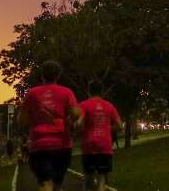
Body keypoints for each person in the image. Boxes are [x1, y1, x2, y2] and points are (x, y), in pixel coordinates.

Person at [20, 60, 82, 191]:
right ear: (58, 76)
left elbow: (22, 120)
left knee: (45, 183)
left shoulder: (32, 93)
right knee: (57, 184)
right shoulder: (67, 92)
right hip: (62, 144)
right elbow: (76, 113)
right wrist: (69, 119)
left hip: (39, 145)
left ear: (42, 75)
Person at [79, 81, 123, 191]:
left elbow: (78, 124)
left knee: (88, 179)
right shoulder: (109, 106)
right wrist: (107, 127)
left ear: (89, 91)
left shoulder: (83, 105)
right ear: (102, 92)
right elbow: (120, 126)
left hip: (88, 145)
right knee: (101, 180)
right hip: (105, 145)